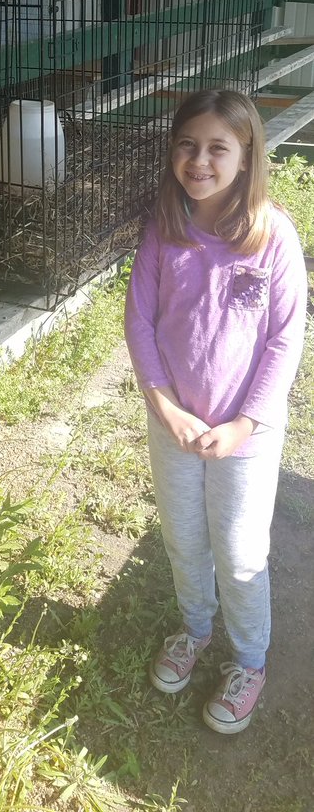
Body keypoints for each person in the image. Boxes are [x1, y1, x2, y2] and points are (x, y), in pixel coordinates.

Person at [124, 89, 307, 735]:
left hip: (245, 435)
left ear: (246, 154)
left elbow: (286, 338)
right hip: (174, 424)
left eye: (216, 148)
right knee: (182, 537)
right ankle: (194, 629)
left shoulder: (271, 236)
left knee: (236, 550)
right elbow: (139, 323)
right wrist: (165, 408)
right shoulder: (163, 231)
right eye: (186, 145)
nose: (198, 160)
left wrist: (243, 424)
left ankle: (249, 661)